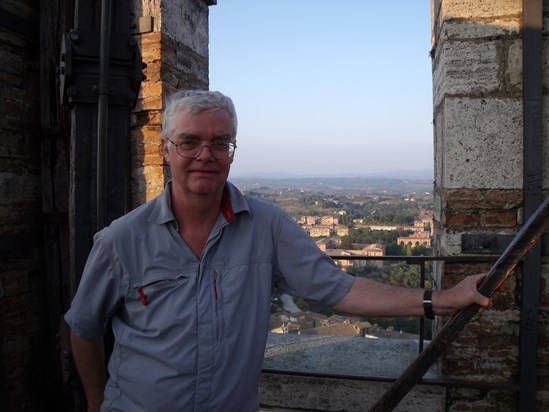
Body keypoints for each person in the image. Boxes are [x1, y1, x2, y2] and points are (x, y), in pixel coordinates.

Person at [64, 90, 491, 412]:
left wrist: (443, 299)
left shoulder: (267, 226)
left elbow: (337, 289)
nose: (205, 155)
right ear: (166, 149)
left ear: (232, 152)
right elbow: (84, 326)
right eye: (190, 142)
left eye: (220, 143)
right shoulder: (120, 240)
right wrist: (97, 399)